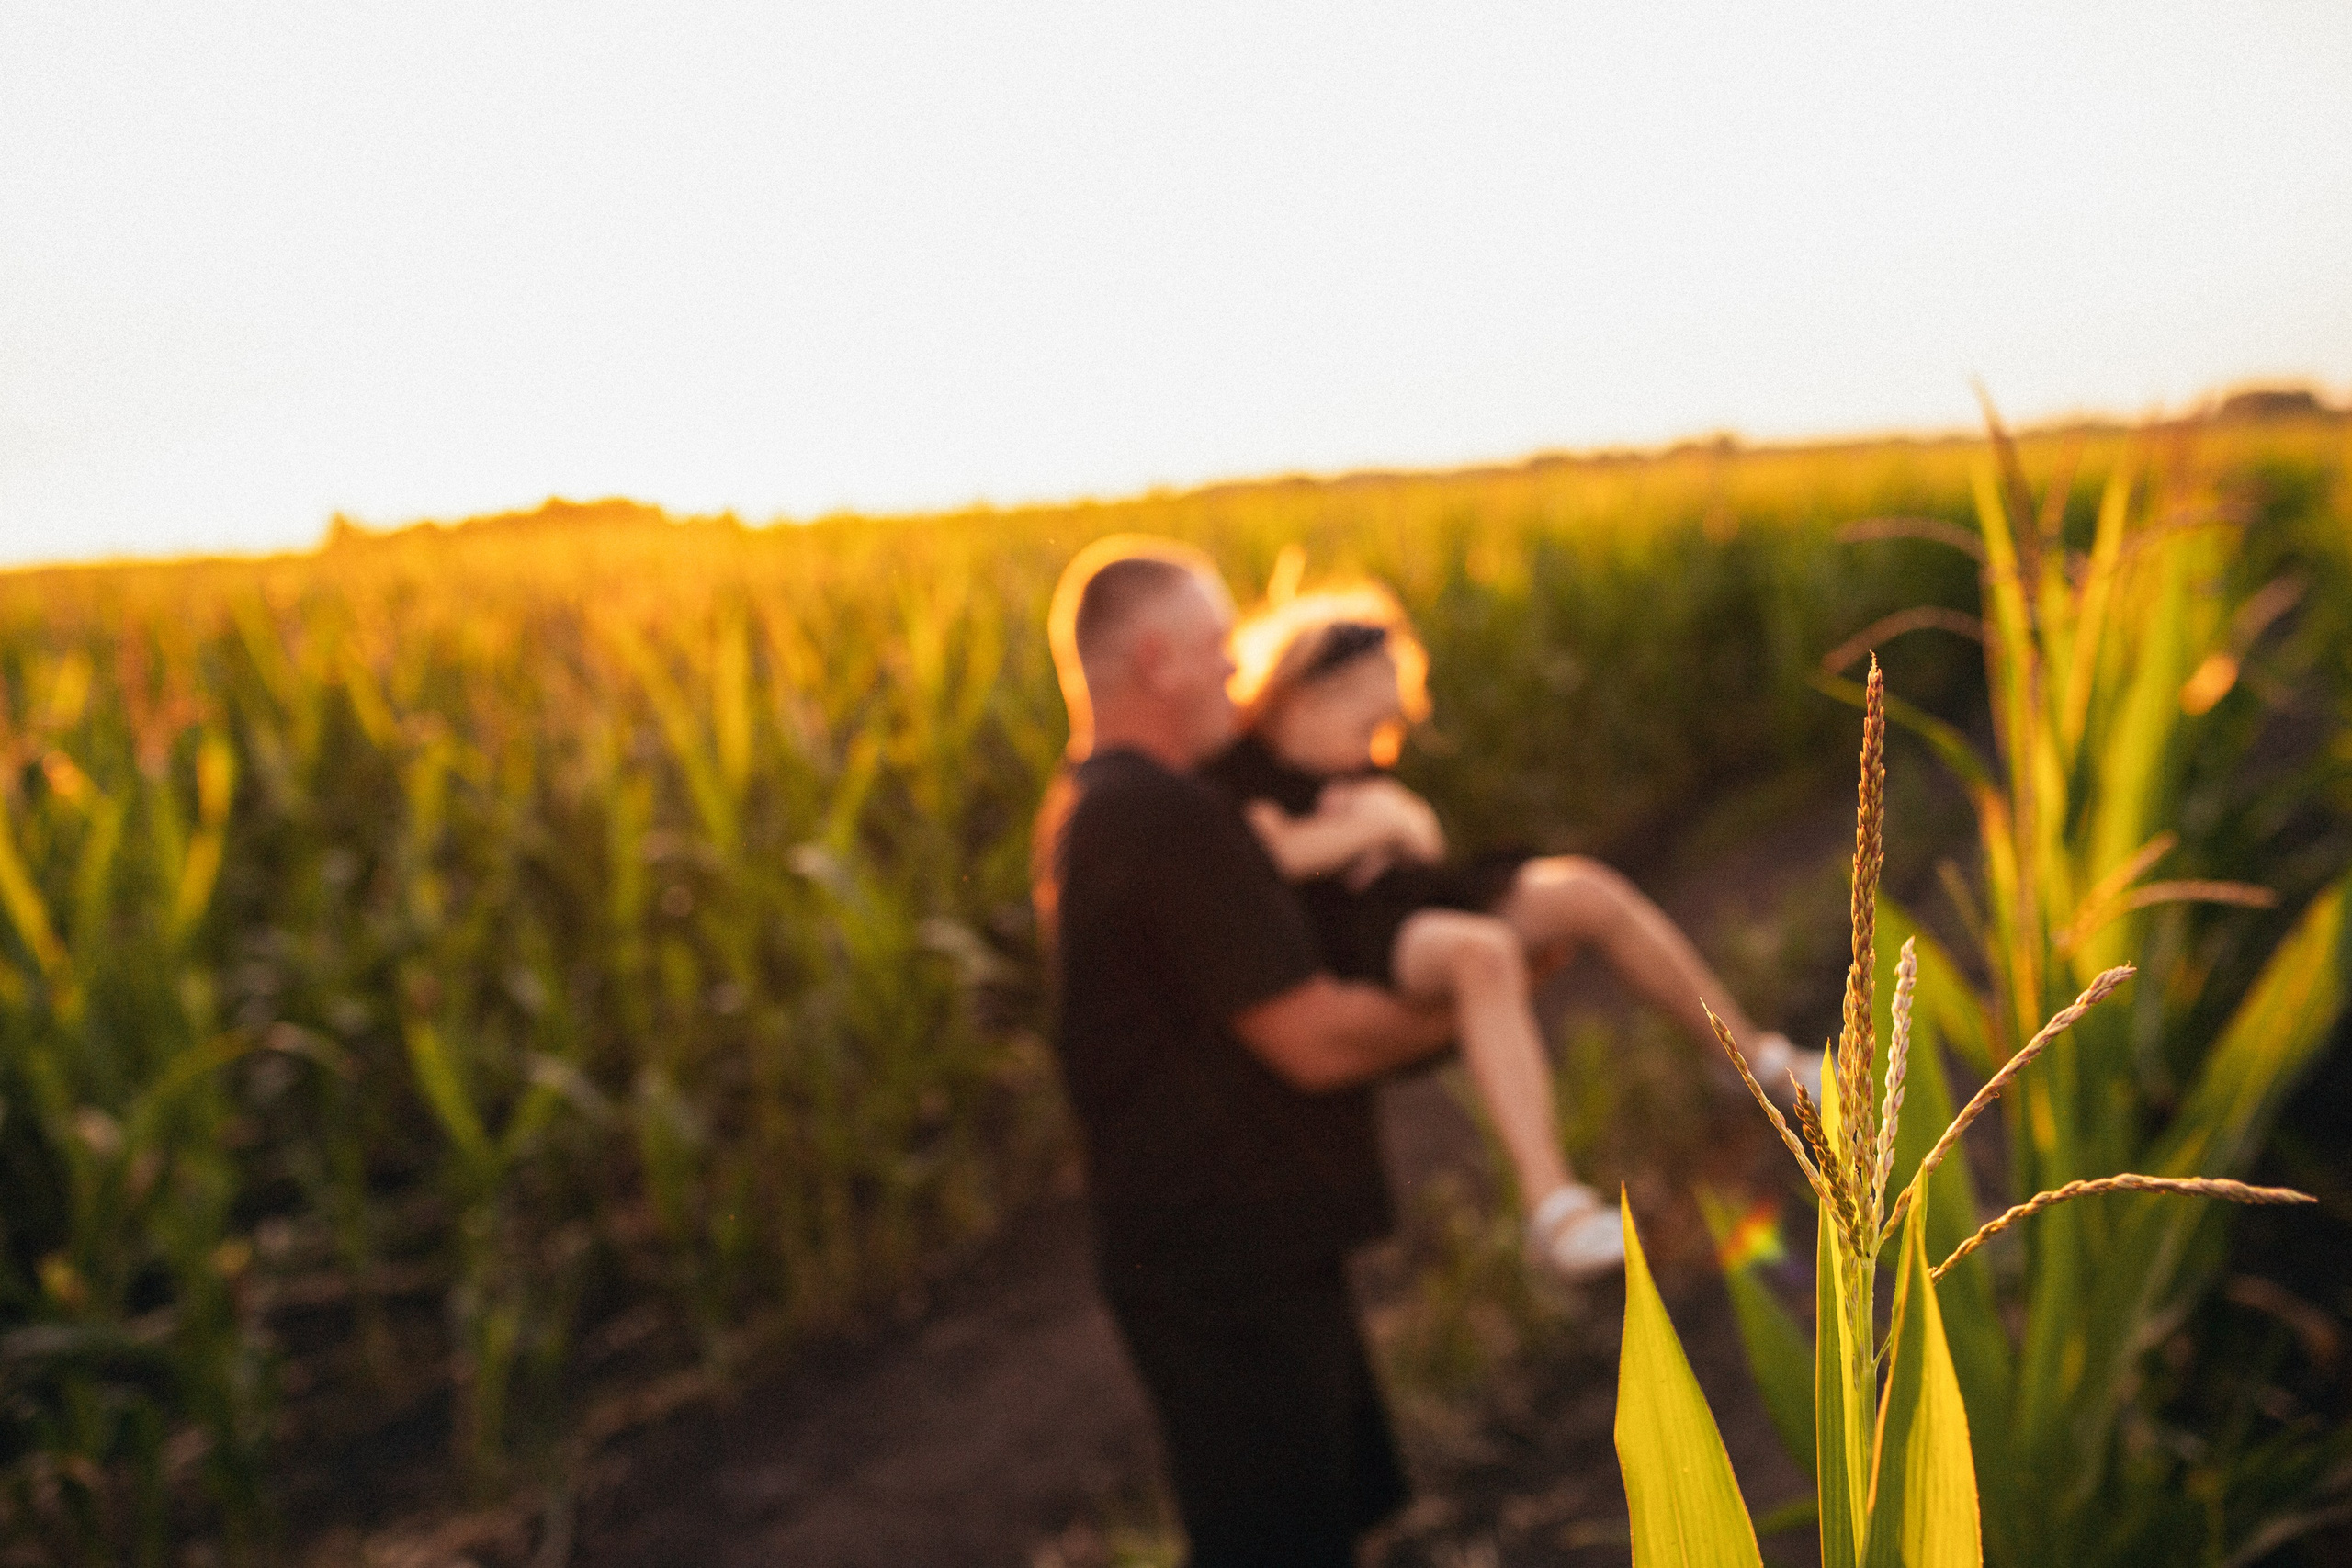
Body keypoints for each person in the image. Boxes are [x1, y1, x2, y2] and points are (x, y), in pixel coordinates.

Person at [1031, 536, 1456, 1568]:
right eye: (1216, 644)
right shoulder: (1158, 816)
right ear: (1154, 663)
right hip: (1225, 1267)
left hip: (1232, 1248)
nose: (1238, 666)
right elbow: (1312, 1040)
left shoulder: (1102, 803)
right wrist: (1484, 999)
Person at [1205, 582, 1822, 1281]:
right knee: (1482, 951)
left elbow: (1424, 847)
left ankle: (1752, 1059)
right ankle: (1552, 1205)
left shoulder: (1352, 767)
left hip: (1415, 902)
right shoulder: (1245, 771)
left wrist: (1398, 820)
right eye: (1365, 717)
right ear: (1306, 697)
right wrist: (1378, 822)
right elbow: (1278, 853)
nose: (1377, 739)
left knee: (1586, 889)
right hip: (1358, 932)